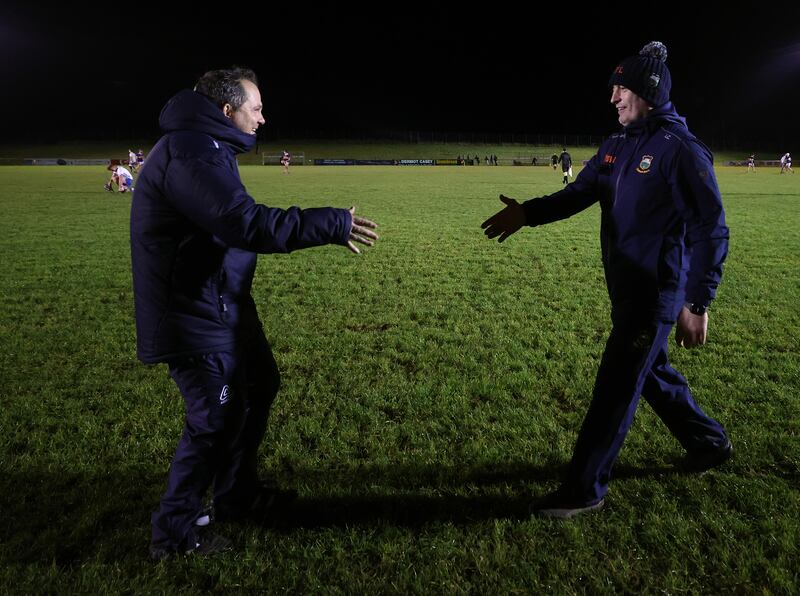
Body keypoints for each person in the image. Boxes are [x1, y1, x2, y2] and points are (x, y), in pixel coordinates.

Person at [130, 67, 379, 560]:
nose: (263, 118)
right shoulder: (192, 152)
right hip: (194, 312)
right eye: (256, 108)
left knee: (259, 384)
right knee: (215, 420)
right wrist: (331, 223)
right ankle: (176, 531)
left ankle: (236, 494)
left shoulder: (210, 147)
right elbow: (242, 222)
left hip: (224, 303)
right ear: (228, 111)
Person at [481, 41, 732, 519]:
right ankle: (710, 442)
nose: (613, 97)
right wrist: (527, 214)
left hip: (657, 293)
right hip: (624, 289)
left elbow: (711, 227)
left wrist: (697, 303)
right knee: (652, 374)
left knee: (616, 385)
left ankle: (585, 488)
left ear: (649, 91)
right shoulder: (615, 147)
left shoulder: (679, 150)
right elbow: (578, 193)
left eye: (622, 88)